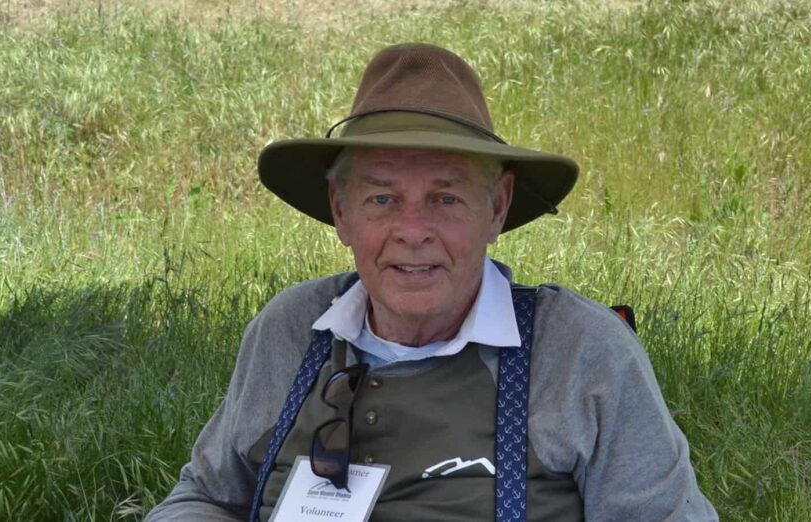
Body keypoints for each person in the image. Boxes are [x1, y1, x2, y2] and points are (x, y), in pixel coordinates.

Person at [146, 43, 718, 521]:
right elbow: (204, 496)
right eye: (382, 198)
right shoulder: (293, 327)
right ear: (341, 212)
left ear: (496, 208)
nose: (412, 231)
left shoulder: (580, 351)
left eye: (445, 197)